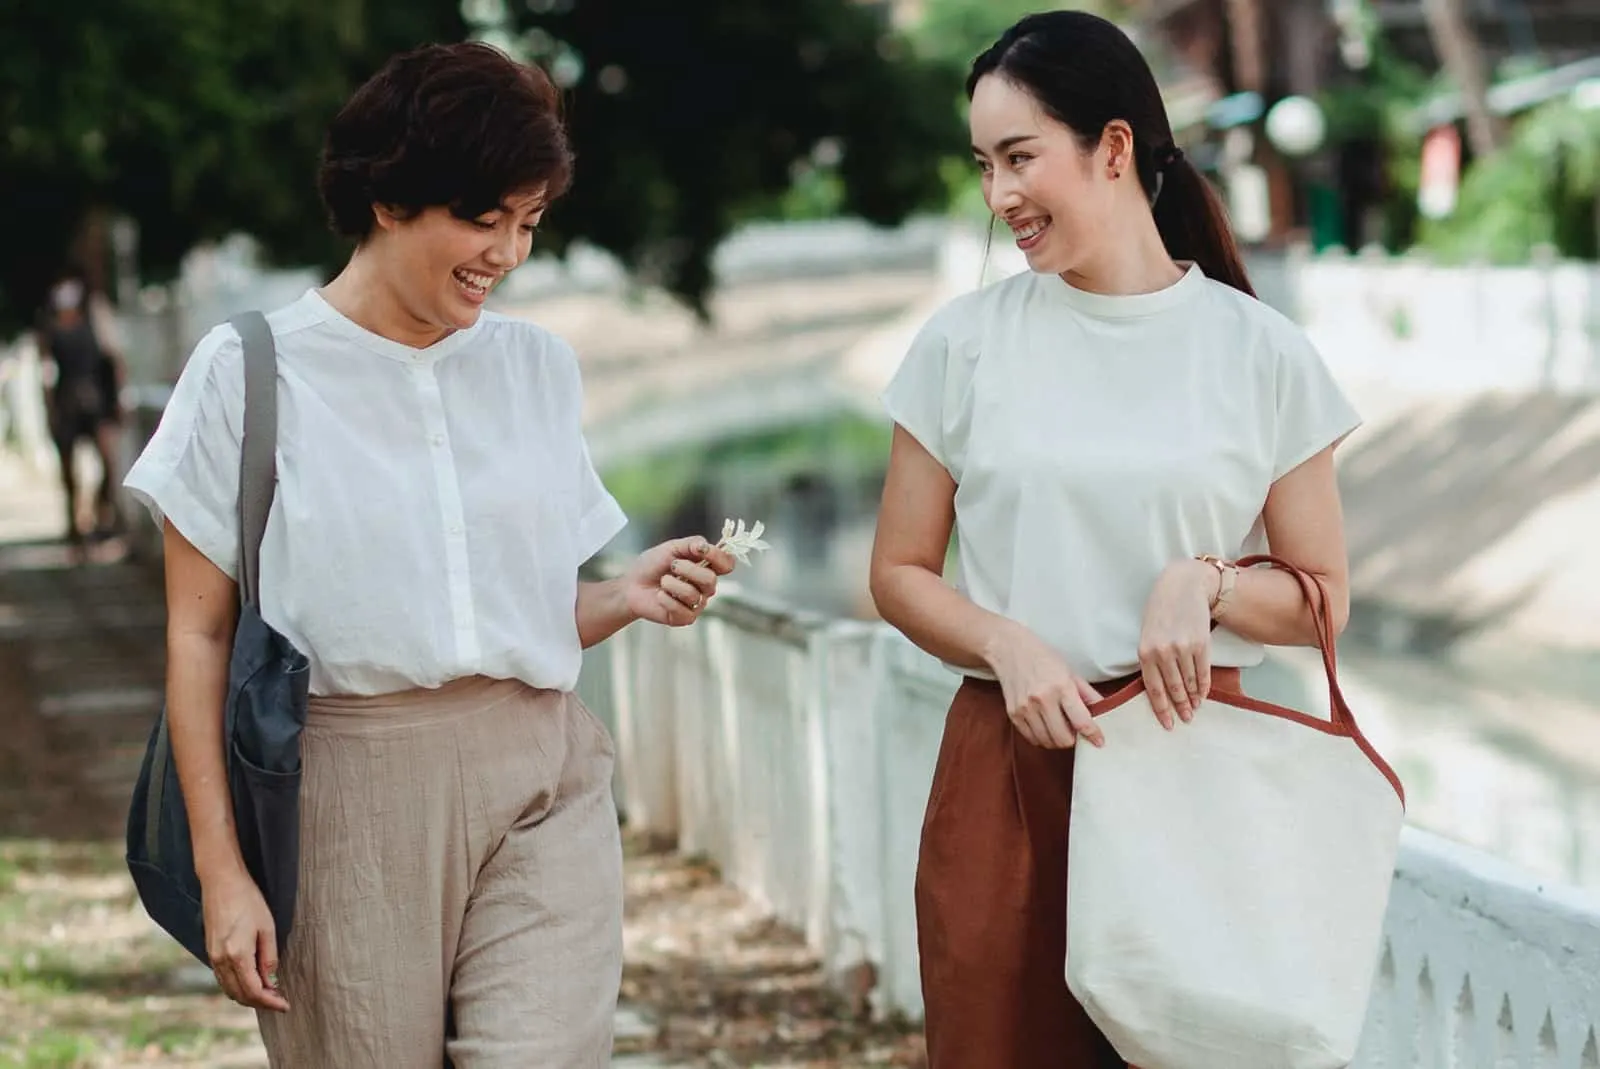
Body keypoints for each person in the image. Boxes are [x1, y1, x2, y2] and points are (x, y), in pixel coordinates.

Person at [123, 41, 738, 1067]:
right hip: (342, 801)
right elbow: (198, 635)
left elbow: (505, 606)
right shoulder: (247, 373)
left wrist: (620, 594)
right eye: (482, 217)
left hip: (540, 774)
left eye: (529, 223)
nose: (507, 252)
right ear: (388, 198)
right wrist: (224, 871)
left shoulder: (535, 367)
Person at [867, 12, 1361, 1069]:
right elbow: (899, 572)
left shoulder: (1260, 353)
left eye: (1018, 157)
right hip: (1006, 774)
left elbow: (1321, 596)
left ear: (1115, 147)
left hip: (1195, 777)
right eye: (983, 165)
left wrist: (1208, 582)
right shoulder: (962, 345)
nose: (999, 197)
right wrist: (1005, 644)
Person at [37, 274, 126, 546]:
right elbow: (47, 373)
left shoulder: (94, 322)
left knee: (108, 461)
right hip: (66, 403)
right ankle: (74, 524)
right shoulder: (50, 332)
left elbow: (114, 361)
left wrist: (116, 400)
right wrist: (51, 409)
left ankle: (100, 511)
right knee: (68, 470)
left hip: (94, 400)